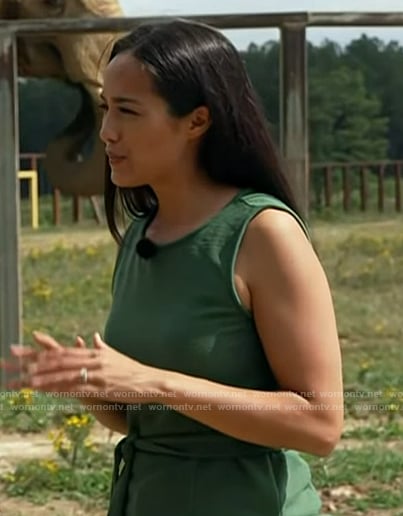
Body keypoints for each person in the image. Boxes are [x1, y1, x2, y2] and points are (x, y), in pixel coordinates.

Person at [7, 19, 343, 516]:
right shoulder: (141, 235)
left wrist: (149, 380)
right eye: (105, 109)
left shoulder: (264, 233)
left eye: (127, 111)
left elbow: (320, 424)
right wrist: (90, 385)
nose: (106, 132)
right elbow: (151, 419)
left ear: (196, 121)